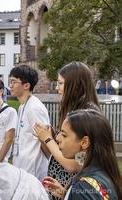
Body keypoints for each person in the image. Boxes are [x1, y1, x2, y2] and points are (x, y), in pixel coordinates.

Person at [33, 61, 100, 200]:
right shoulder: (72, 109)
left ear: (75, 85)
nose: (57, 88)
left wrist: (47, 138)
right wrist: (48, 136)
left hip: (77, 191)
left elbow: (75, 164)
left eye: (61, 83)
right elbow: (56, 153)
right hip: (63, 189)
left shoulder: (86, 114)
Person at [42, 109, 122, 199]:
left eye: (64, 135)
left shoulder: (84, 187)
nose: (57, 138)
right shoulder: (104, 173)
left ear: (84, 142)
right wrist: (67, 194)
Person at [9, 65, 50, 181]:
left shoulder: (35, 108)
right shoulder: (22, 106)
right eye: (10, 81)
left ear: (26, 85)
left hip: (33, 170)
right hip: (22, 165)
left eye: (14, 82)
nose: (10, 85)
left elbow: (45, 139)